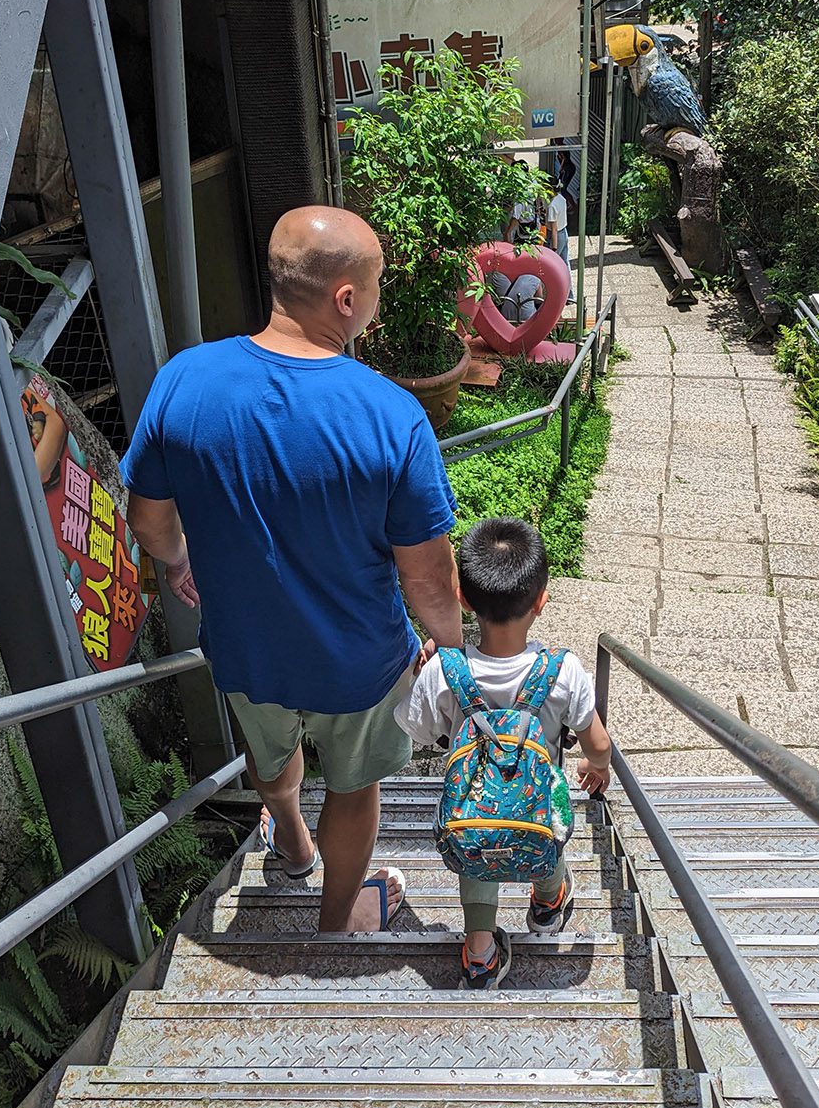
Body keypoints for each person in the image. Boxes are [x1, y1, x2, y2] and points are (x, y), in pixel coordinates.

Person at [122, 206, 463, 934]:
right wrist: (456, 649)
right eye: (374, 286)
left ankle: (293, 844)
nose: (374, 301)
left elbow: (149, 521)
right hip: (361, 660)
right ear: (346, 299)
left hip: (245, 646)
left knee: (269, 748)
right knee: (355, 782)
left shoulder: (185, 380)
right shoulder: (391, 416)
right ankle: (336, 923)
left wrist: (180, 562)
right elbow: (429, 582)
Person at [396, 518, 614, 988]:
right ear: (541, 600)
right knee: (546, 835)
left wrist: (428, 676)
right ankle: (547, 903)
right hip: (538, 805)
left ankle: (479, 953)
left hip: (471, 807)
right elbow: (597, 742)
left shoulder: (445, 671)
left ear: (465, 600)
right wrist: (597, 766)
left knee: (478, 849)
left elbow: (416, 730)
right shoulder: (564, 671)